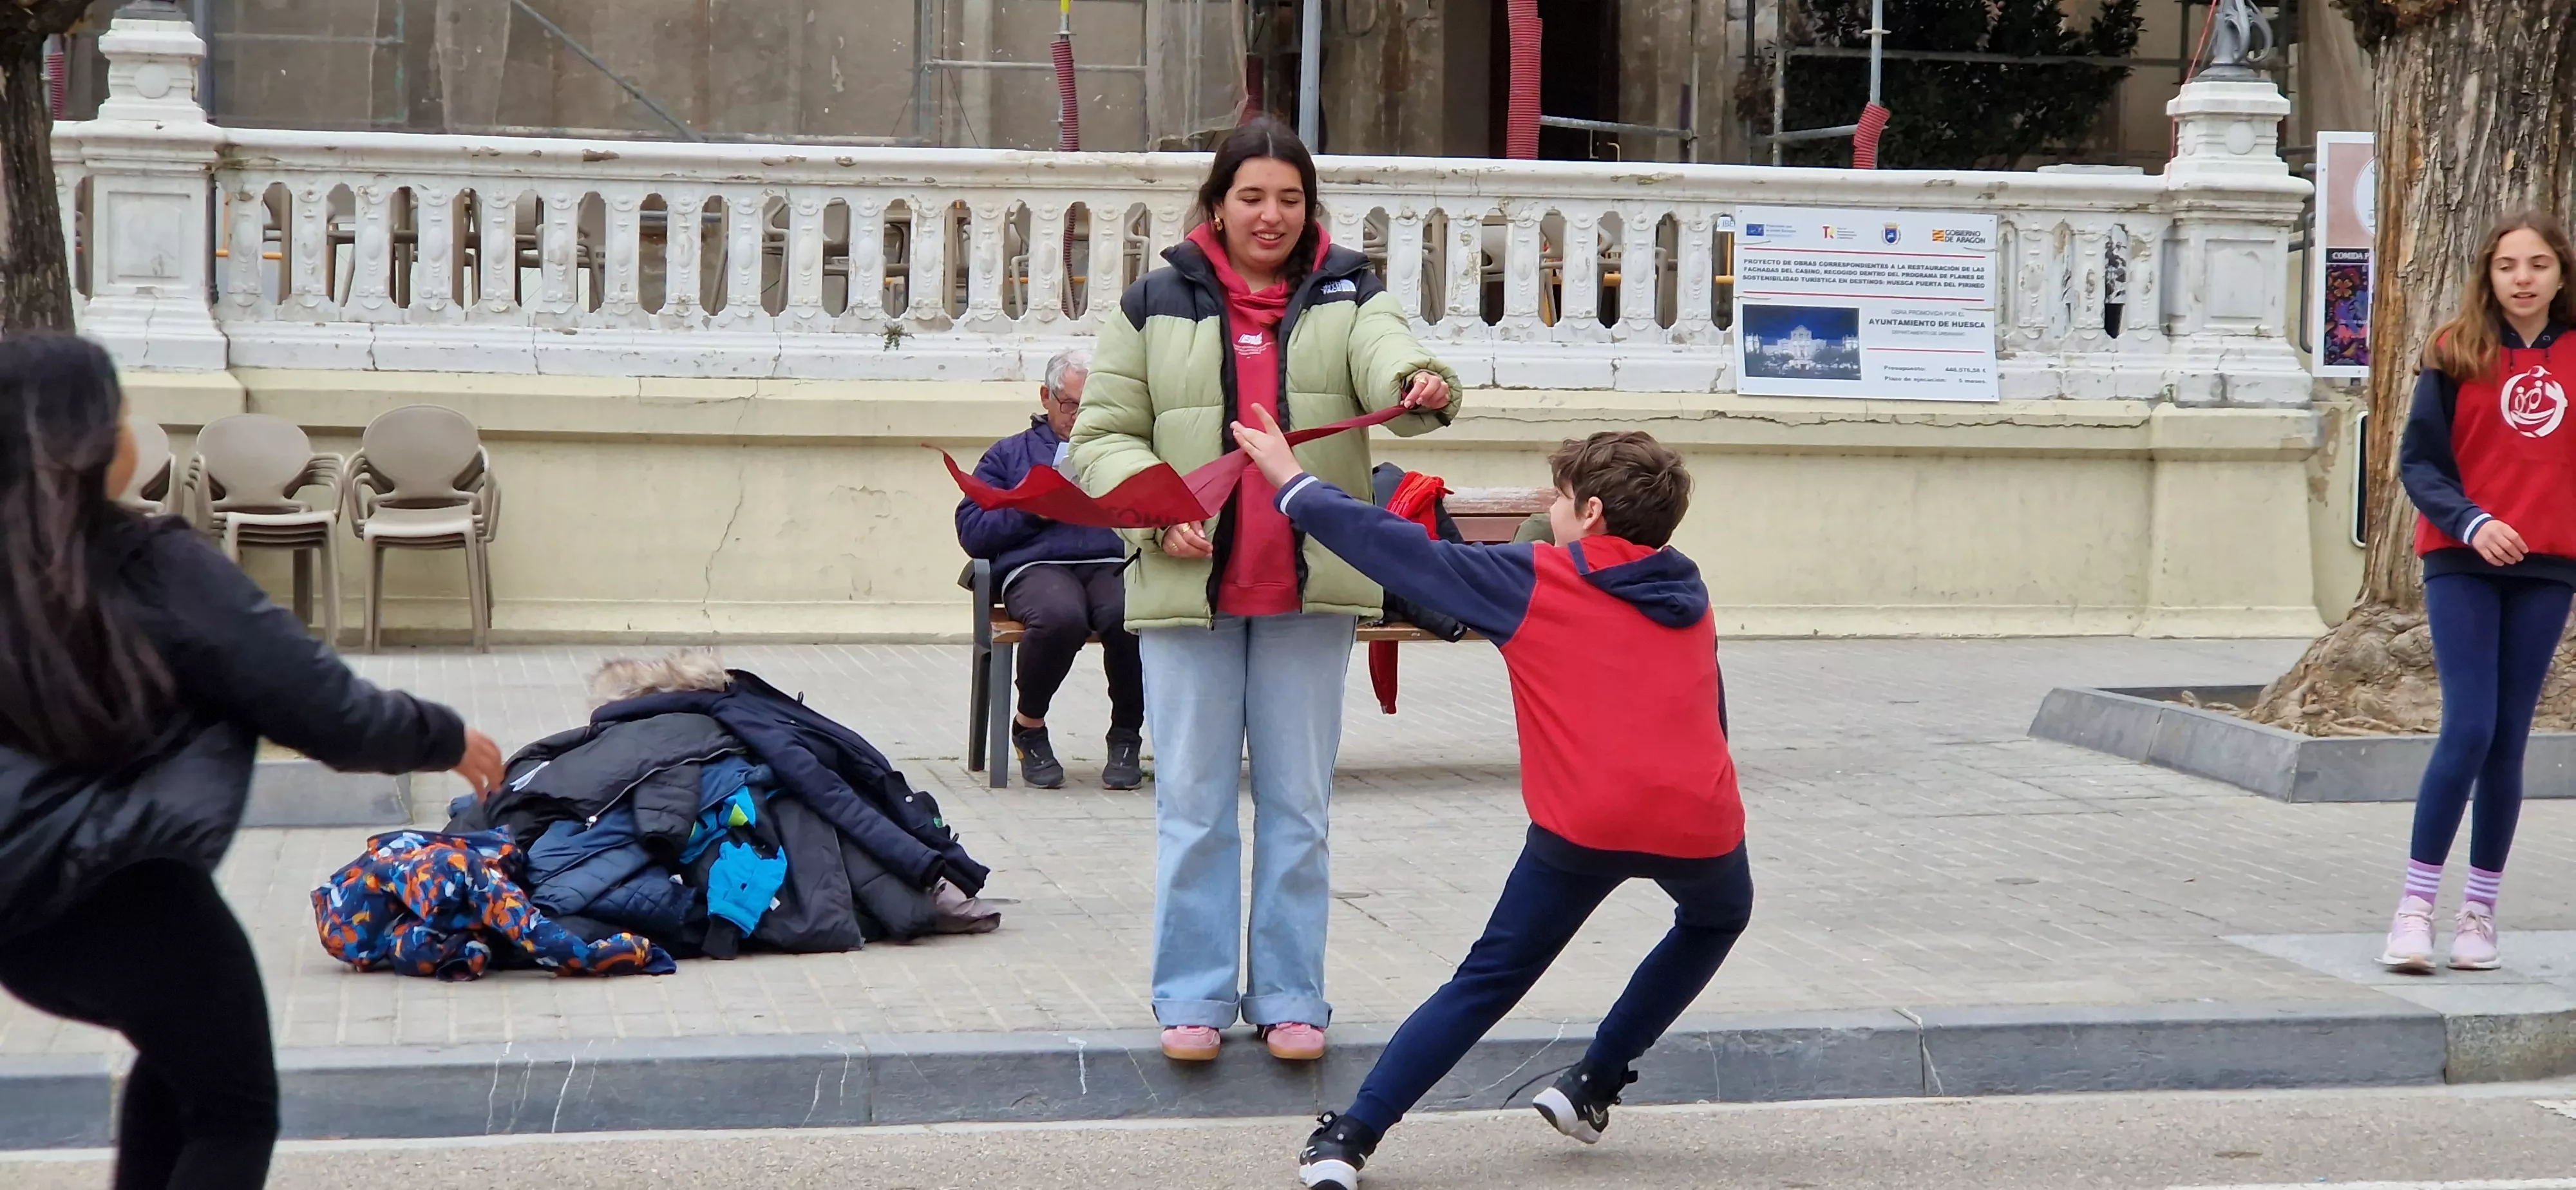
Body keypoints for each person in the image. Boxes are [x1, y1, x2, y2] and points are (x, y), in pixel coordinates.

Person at [0, 334, 504, 1190]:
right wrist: (442, 736)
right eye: (119, 414)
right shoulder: (153, 564)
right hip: (129, 890)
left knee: (183, 1063)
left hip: (22, 917)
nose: (132, 429)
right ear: (83, 441)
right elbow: (320, 705)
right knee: (234, 1111)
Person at [1231, 413, 1747, 1190]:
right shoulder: (1688, 589)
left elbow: (1397, 549)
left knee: (1489, 980)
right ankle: (1594, 1081)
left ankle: (1349, 1138)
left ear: (1591, 513)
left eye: (1560, 497)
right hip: (1701, 820)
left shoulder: (1536, 578)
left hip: (1586, 822)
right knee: (1716, 917)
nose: (1552, 509)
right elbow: (1709, 706)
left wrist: (1290, 481)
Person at [1070, 117, 1459, 1064]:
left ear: (1309, 208)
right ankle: (1192, 998)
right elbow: (1100, 437)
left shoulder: (1350, 292)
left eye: (1289, 198)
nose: (1270, 215)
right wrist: (1156, 511)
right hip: (1186, 591)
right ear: (1217, 204)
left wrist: (1419, 380)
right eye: (1251, 196)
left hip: (1307, 595)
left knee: (1298, 811)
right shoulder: (1152, 301)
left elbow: (1390, 354)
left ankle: (1291, 998)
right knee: (1193, 809)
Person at [2385, 211, 2576, 974]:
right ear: (2487, 276)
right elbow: (2419, 463)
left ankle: (2478, 915)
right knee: (2467, 727)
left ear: (2560, 274)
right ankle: (2413, 909)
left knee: (2507, 740)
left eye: (2537, 264)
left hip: (2548, 567)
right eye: (2506, 266)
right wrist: (2472, 521)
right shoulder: (2453, 350)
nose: (2522, 279)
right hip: (2461, 559)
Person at [956, 348, 1144, 790]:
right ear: (1046, 397)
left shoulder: (1121, 451)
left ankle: (1126, 736)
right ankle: (1030, 726)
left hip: (1108, 562)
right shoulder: (1009, 455)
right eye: (1070, 405)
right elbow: (972, 530)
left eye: (1090, 405)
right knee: (1060, 616)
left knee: (1131, 615)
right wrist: (1031, 511)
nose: (1079, 416)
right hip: (1037, 566)